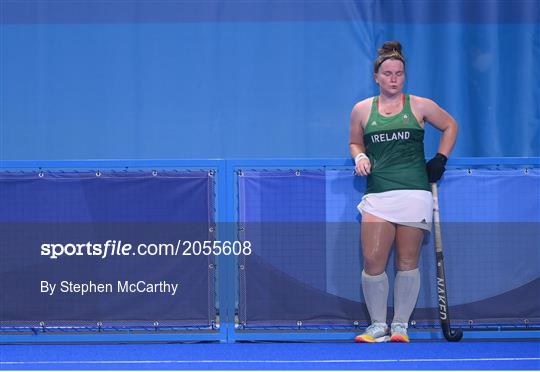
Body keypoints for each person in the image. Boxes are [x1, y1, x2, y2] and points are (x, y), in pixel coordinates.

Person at [349, 41, 458, 343]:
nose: (394, 78)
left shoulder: (420, 105)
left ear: (404, 76)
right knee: (373, 261)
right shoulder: (361, 110)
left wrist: (440, 159)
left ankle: (400, 326)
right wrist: (360, 157)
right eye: (388, 73)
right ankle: (376, 325)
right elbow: (355, 142)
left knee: (407, 262)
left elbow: (450, 126)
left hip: (414, 193)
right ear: (377, 77)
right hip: (379, 193)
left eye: (399, 73)